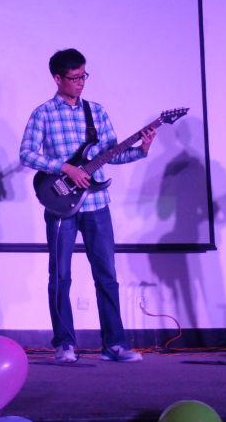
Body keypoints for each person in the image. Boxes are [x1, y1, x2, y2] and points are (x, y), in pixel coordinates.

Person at [19, 49, 156, 364]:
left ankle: (114, 344)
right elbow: (26, 153)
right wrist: (65, 168)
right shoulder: (43, 114)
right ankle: (64, 344)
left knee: (106, 274)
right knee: (60, 276)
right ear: (58, 78)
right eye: (74, 78)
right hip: (60, 204)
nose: (81, 82)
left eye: (84, 76)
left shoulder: (97, 112)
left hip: (97, 204)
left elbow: (112, 154)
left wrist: (141, 149)